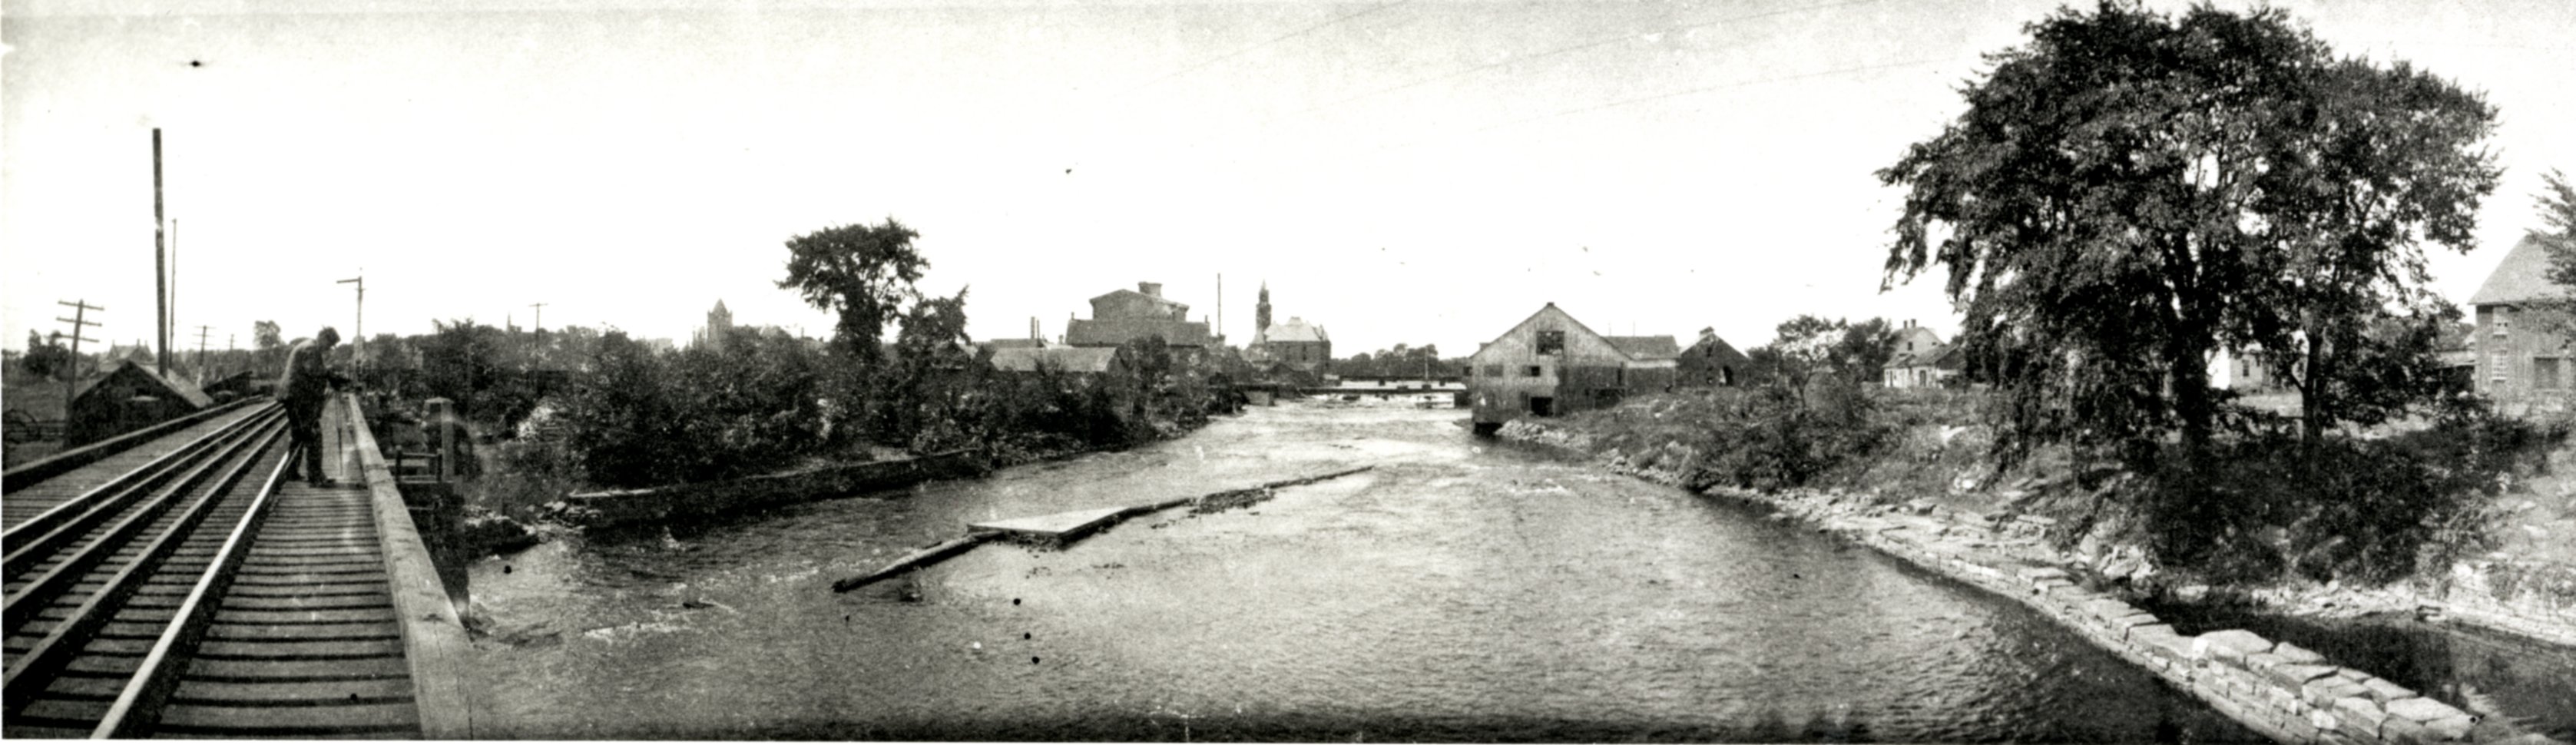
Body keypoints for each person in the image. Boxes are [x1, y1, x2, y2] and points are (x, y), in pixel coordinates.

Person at [277, 326, 347, 485]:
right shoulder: (311, 349)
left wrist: (328, 374)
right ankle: (315, 477)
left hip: (291, 396)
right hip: (298, 397)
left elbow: (313, 370)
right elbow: (312, 370)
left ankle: (292, 472)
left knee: (298, 435)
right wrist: (331, 375)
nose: (329, 348)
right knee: (314, 435)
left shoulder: (307, 346)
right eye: (330, 344)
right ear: (323, 337)